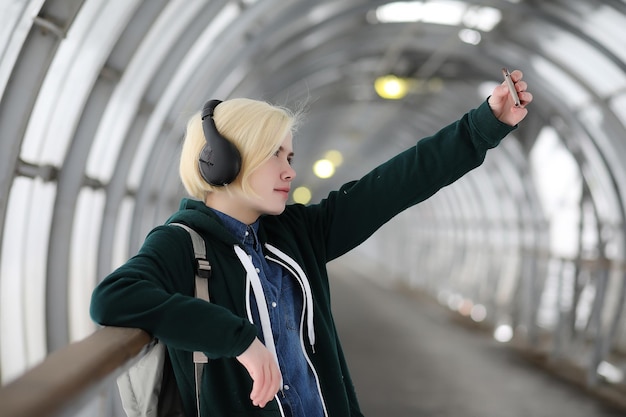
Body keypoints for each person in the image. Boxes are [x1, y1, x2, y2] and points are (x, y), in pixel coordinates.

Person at [90, 70, 532, 417]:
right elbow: (114, 298)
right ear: (222, 162)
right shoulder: (180, 245)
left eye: (290, 157)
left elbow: (396, 184)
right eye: (274, 156)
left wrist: (484, 125)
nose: (289, 171)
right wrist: (239, 340)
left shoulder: (298, 232)